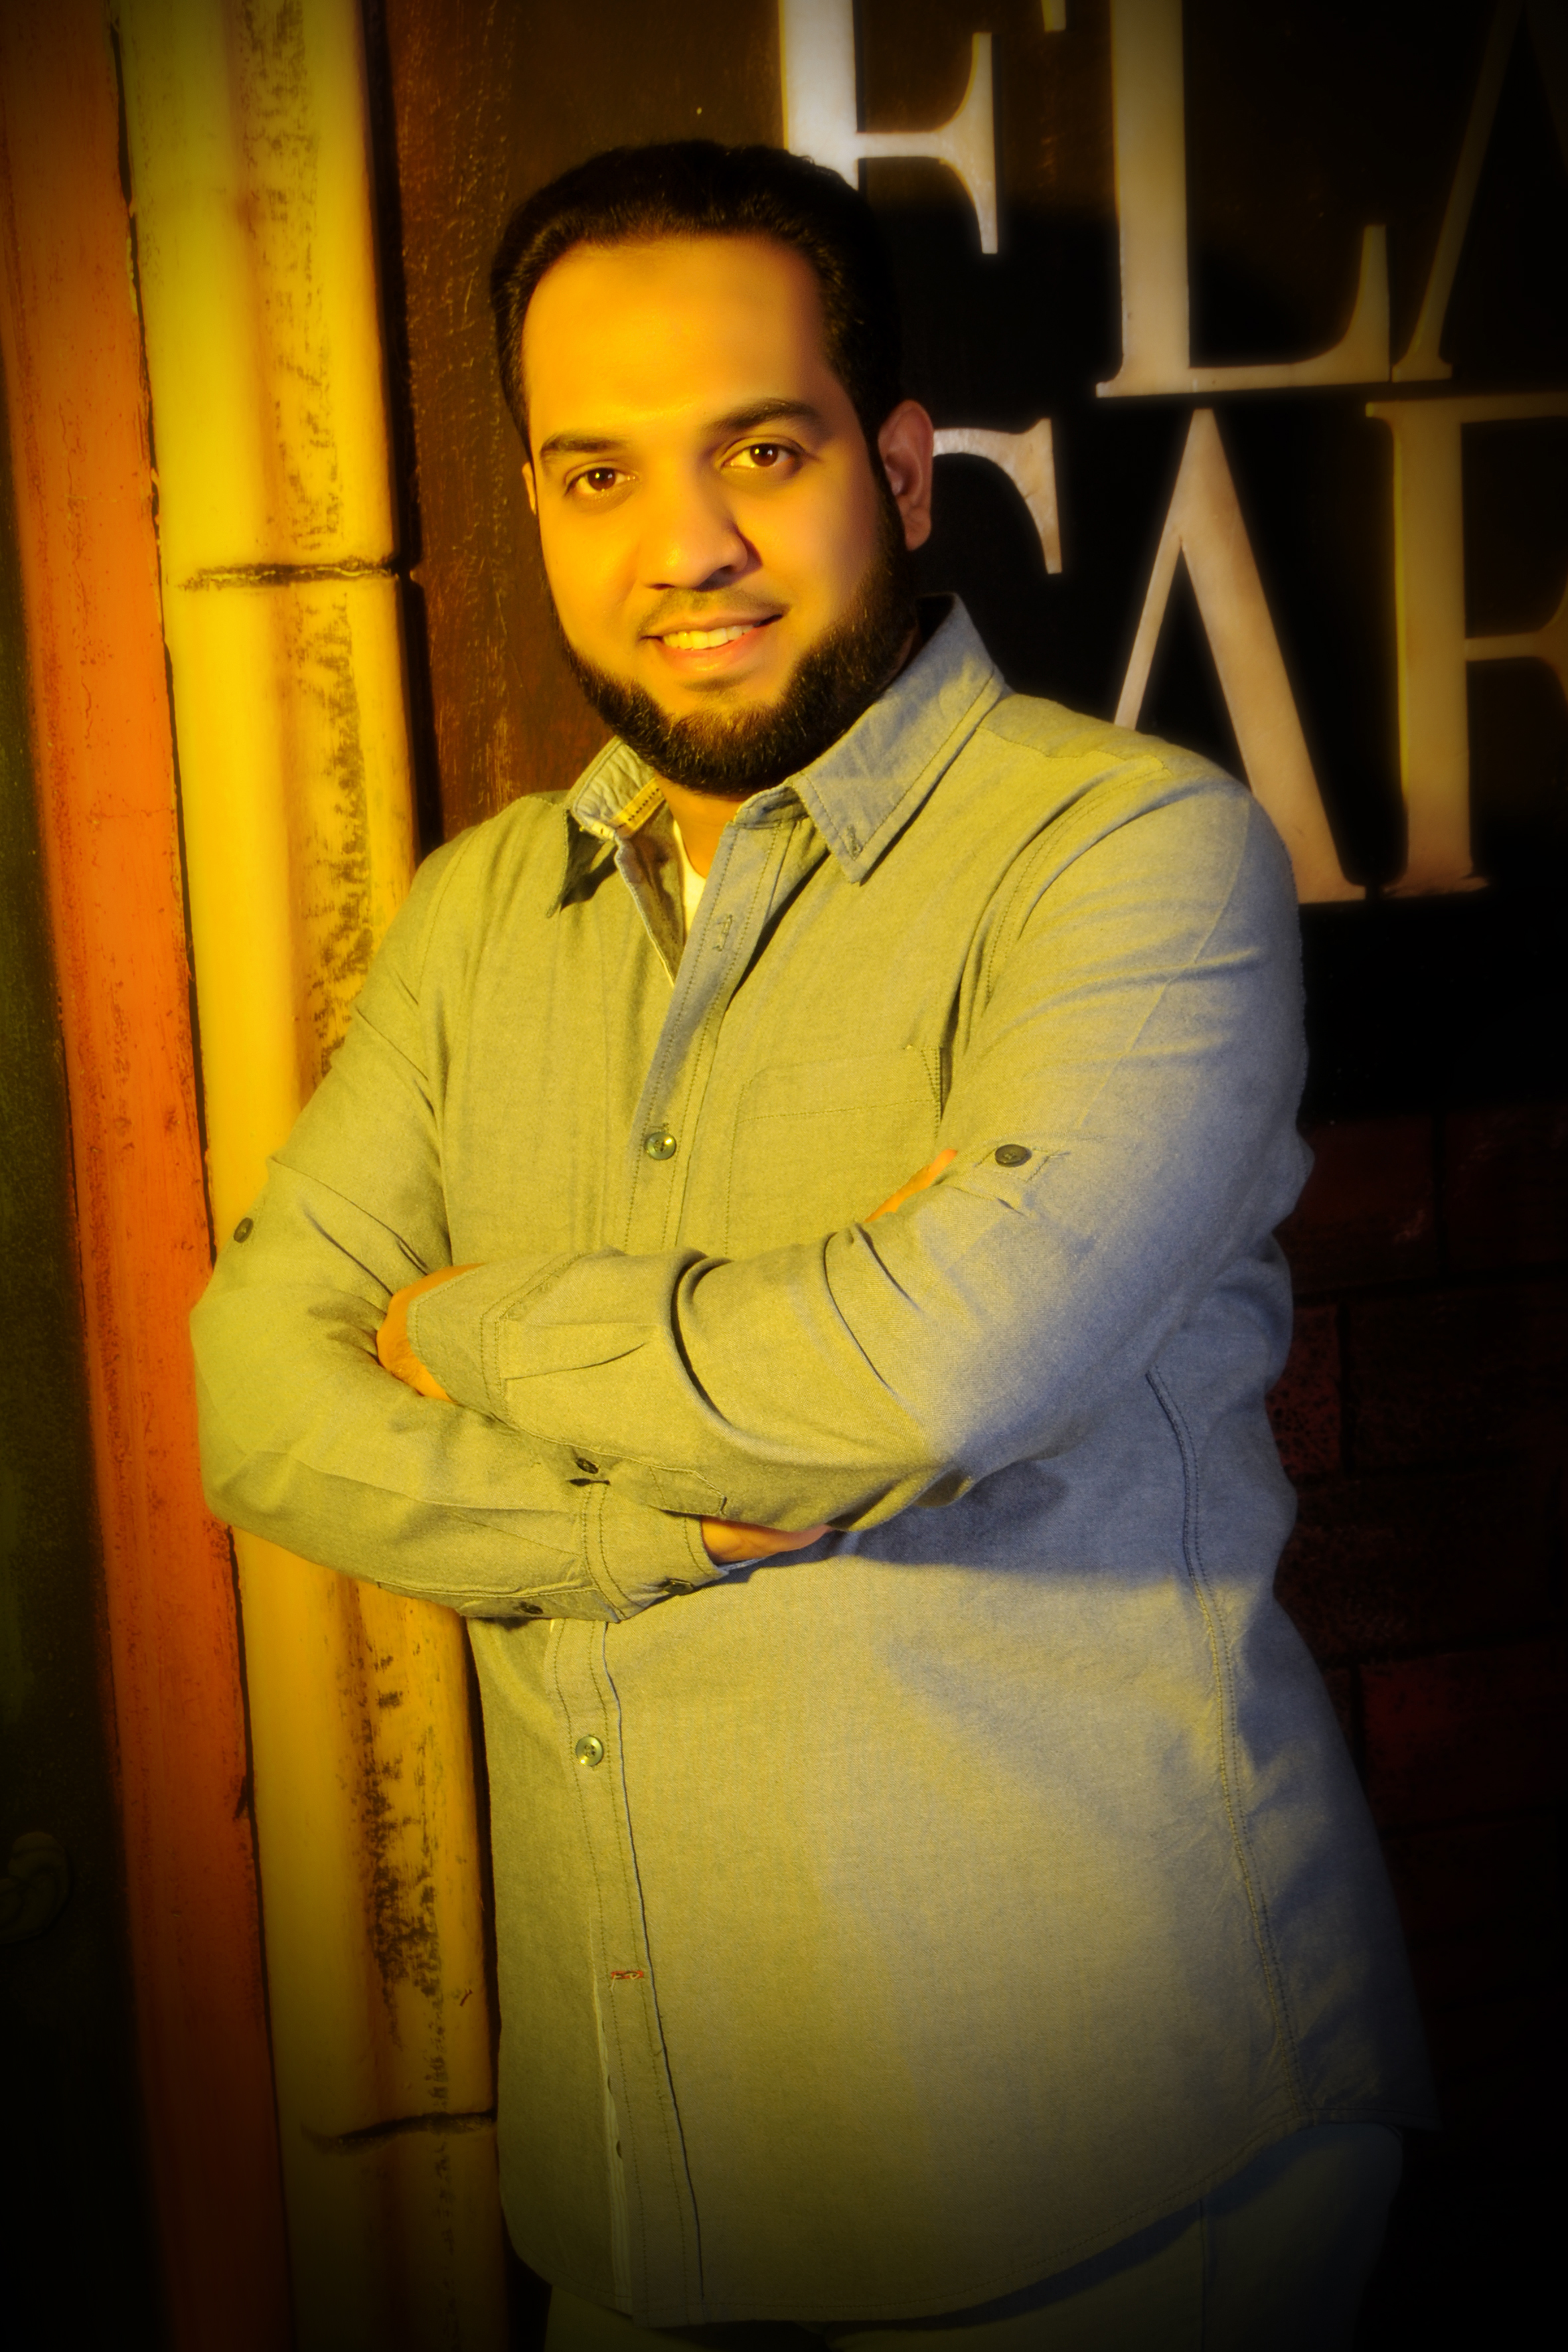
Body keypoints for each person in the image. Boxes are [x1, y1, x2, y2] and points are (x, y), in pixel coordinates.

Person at [192, 141, 1433, 2351]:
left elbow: (929, 1371)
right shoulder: (476, 916)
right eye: (595, 475)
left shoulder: (1127, 856)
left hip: (1105, 2177)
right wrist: (664, 1518)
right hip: (647, 2200)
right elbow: (256, 1406)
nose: (682, 548)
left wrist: (459, 1328)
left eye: (758, 453)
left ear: (899, 469)